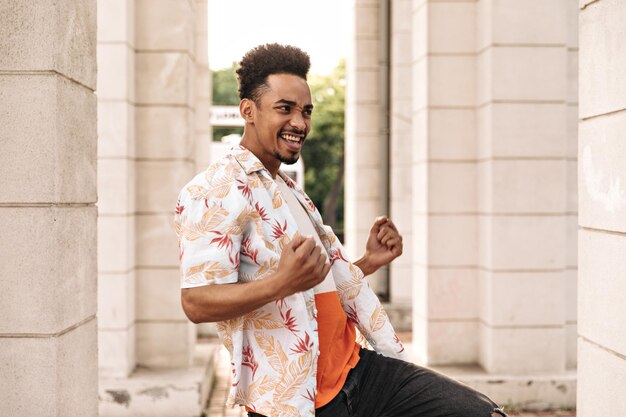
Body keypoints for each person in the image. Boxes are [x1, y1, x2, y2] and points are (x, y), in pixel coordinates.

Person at [175, 43, 507, 417]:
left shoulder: (286, 188)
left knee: (482, 414)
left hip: (358, 370)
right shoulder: (214, 190)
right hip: (299, 398)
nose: (300, 123)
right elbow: (196, 302)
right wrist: (280, 283)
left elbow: (311, 283)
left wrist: (366, 263)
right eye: (285, 108)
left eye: (306, 111)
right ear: (248, 111)